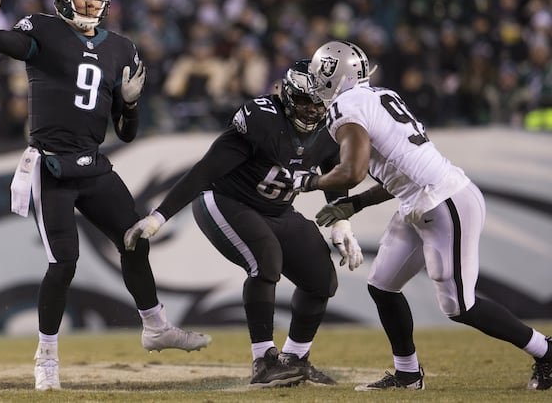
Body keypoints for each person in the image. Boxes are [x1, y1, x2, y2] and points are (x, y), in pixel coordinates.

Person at [0, 0, 211, 391]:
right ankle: (47, 359)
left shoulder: (121, 49)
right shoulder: (42, 28)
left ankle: (156, 327)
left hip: (92, 163)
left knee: (136, 238)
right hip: (51, 165)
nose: (90, 2)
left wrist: (130, 106)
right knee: (64, 264)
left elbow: (128, 134)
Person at [296, 40, 552, 391]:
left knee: (461, 306)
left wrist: (307, 181)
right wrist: (354, 206)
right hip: (422, 200)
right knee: (383, 287)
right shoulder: (378, 96)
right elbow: (400, 174)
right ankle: (408, 375)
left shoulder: (345, 104)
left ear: (331, 77)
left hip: (444, 201)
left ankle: (546, 350)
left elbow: (353, 172)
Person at [124, 60, 364, 388]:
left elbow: (334, 172)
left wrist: (341, 222)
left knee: (321, 279)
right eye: (307, 101)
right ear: (289, 95)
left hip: (277, 210)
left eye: (321, 102)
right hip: (224, 201)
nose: (314, 110)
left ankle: (293, 359)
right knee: (266, 261)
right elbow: (206, 169)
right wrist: (159, 216)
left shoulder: (329, 128)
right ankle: (264, 361)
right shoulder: (264, 118)